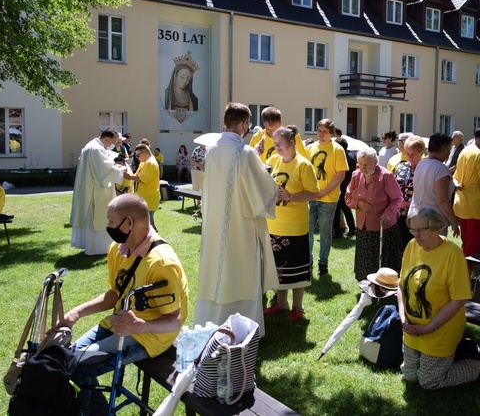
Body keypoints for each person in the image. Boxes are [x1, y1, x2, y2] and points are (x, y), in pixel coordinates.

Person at [61, 194, 188, 415]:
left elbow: (174, 320)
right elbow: (114, 294)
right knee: (65, 358)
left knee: (78, 367)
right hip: (120, 324)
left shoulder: (161, 262)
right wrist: (76, 312)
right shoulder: (117, 249)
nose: (108, 226)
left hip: (150, 336)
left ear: (129, 222)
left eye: (111, 221)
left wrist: (139, 326)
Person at [194, 103, 279, 336]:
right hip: (240, 225)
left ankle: (212, 321)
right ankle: (243, 330)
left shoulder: (211, 151)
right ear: (243, 124)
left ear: (224, 123)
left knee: (217, 271)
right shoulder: (245, 153)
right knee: (240, 269)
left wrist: (256, 159)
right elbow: (260, 192)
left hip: (215, 223)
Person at [397, 207, 480, 389]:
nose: (416, 235)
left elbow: (459, 299)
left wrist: (430, 327)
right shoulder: (412, 246)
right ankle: (460, 353)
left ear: (437, 228)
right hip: (413, 327)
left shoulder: (452, 253)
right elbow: (401, 284)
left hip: (440, 329)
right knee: (410, 377)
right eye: (413, 229)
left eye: (422, 230)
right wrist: (403, 315)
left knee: (429, 382)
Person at [263, 127, 319, 321]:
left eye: (280, 142)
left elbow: (314, 193)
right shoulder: (272, 161)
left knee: (297, 268)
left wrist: (290, 196)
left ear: (292, 142)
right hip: (274, 225)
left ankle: (298, 307)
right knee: (278, 268)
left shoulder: (303, 165)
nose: (276, 146)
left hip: (295, 226)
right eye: (274, 143)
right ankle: (280, 303)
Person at [345, 147, 403, 281]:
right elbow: (348, 197)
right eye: (360, 164)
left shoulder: (386, 176)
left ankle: (385, 285)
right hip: (362, 226)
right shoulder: (356, 175)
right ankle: (365, 284)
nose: (362, 168)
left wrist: (388, 214)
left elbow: (397, 198)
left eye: (366, 164)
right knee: (365, 257)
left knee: (382, 260)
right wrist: (358, 204)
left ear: (375, 162)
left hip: (383, 227)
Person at [70, 129, 125, 256]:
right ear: (106, 139)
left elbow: (102, 162)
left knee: (91, 218)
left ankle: (91, 246)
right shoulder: (96, 149)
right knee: (98, 219)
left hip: (89, 187)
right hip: (96, 190)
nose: (110, 146)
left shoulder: (90, 146)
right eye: (111, 143)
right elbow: (104, 170)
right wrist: (121, 172)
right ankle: (98, 248)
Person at [305, 118, 349, 276]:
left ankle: (322, 263)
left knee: (324, 232)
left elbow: (340, 175)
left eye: (325, 131)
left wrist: (323, 192)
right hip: (310, 197)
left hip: (328, 199)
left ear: (331, 133)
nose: (321, 134)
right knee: (307, 231)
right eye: (319, 130)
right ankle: (307, 262)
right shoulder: (309, 148)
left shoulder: (337, 149)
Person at [453, 125, 480, 258]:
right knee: (473, 248)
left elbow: (455, 178)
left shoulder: (464, 151)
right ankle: (466, 274)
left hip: (462, 205)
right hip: (477, 208)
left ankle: (462, 271)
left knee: (466, 243)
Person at [409, 133, 459, 237]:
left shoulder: (421, 164)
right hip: (434, 221)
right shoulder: (440, 168)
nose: (449, 152)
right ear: (444, 149)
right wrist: (454, 221)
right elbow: (442, 201)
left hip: (418, 217)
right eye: (449, 148)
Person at [395, 136, 425, 247]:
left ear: (421, 153)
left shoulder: (425, 169)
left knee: (418, 247)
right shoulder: (403, 167)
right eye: (408, 154)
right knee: (403, 246)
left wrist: (409, 204)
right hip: (401, 215)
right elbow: (395, 187)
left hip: (419, 216)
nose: (410, 157)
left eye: (413, 154)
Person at [124, 144, 161, 228]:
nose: (137, 157)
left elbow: (143, 179)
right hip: (143, 196)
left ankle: (153, 239)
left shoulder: (150, 163)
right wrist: (129, 172)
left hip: (149, 197)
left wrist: (129, 177)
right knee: (145, 222)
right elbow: (137, 174)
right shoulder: (143, 162)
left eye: (138, 155)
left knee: (148, 223)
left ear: (146, 153)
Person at [333, 137, 356, 238]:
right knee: (346, 208)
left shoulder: (339, 157)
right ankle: (352, 228)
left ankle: (337, 232)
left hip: (339, 185)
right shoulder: (352, 156)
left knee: (336, 209)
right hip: (348, 185)